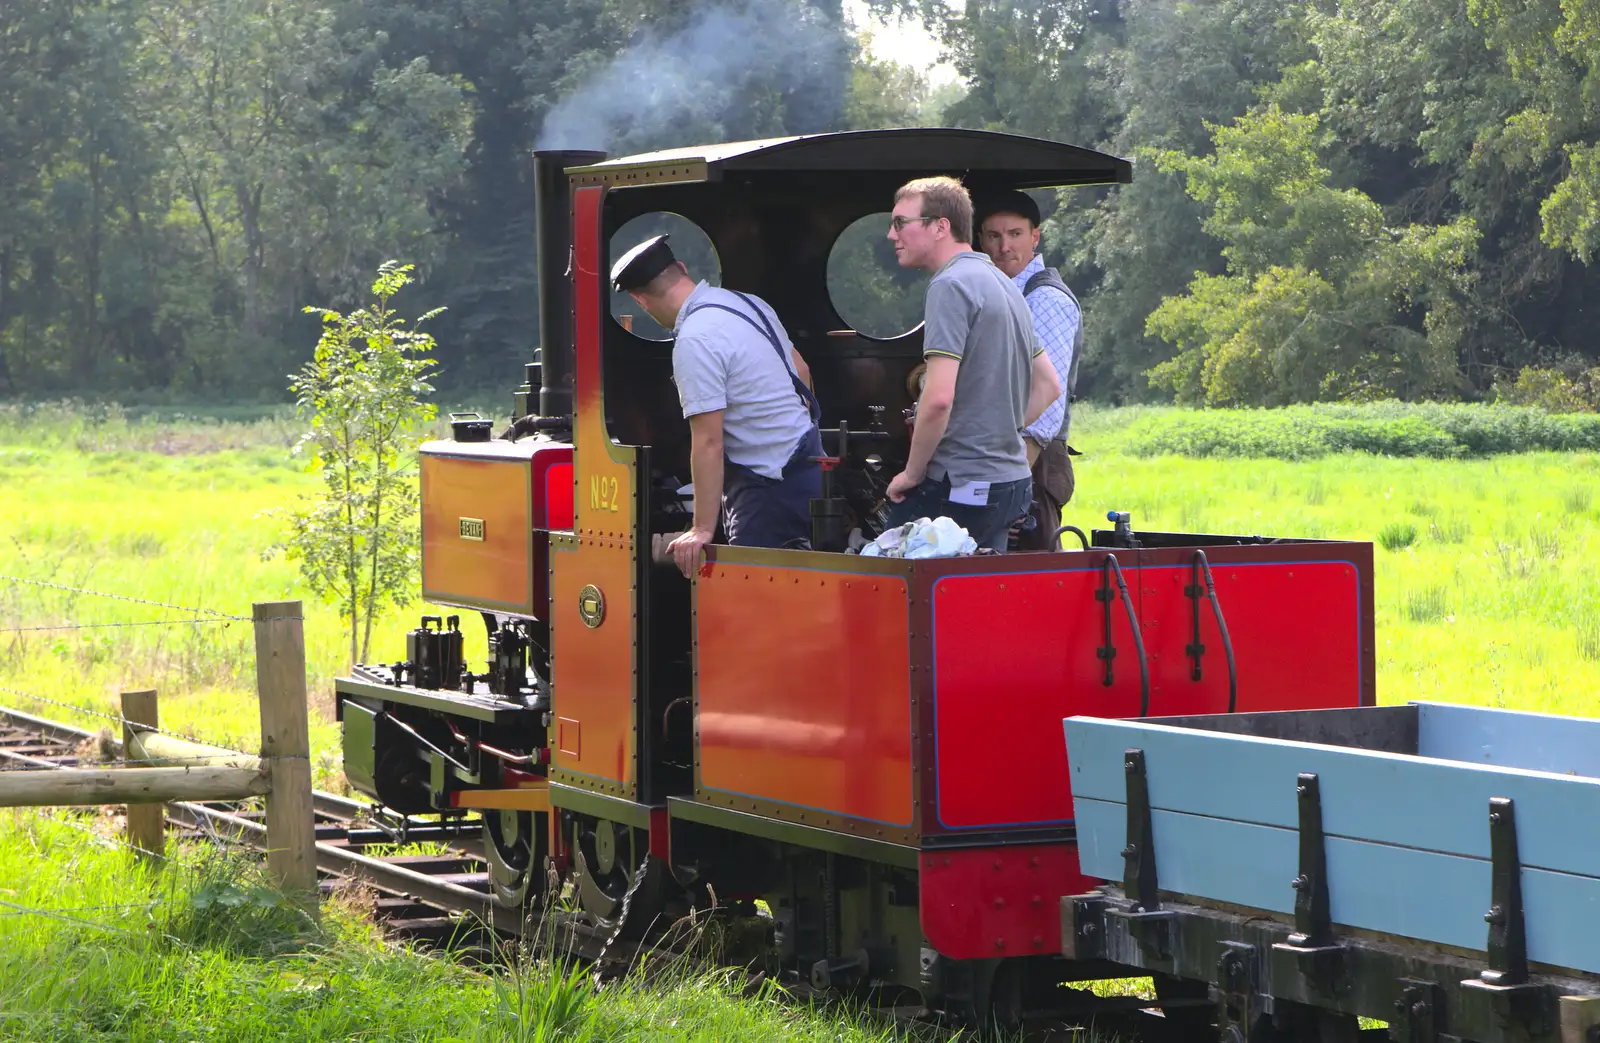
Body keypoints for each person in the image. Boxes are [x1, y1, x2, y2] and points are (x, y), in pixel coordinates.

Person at [611, 234, 822, 577]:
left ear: (641, 301)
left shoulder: (695, 340)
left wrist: (702, 530)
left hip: (765, 494)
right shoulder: (748, 303)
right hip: (810, 471)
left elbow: (709, 441)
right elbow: (801, 371)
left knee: (754, 609)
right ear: (682, 268)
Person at [882, 176, 1060, 552]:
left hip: (963, 485)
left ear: (940, 226)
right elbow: (1048, 387)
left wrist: (910, 475)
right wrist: (996, 433)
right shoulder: (1002, 282)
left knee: (887, 569)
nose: (891, 235)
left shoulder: (950, 285)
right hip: (1010, 483)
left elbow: (938, 398)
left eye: (900, 223)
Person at [976, 189, 1082, 551]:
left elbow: (1045, 403)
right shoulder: (1000, 294)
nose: (1004, 246)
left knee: (1035, 581)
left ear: (1035, 236)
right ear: (981, 240)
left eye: (1015, 234)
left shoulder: (1044, 298)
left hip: (1031, 464)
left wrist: (1012, 482)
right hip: (1002, 456)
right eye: (994, 235)